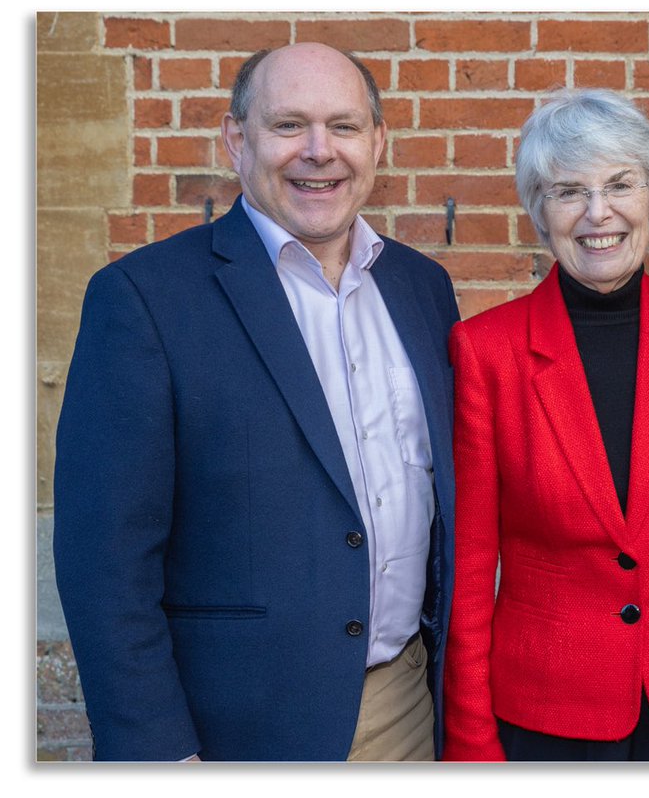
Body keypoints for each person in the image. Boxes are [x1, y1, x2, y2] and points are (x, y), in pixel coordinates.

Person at [53, 43, 459, 761]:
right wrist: (159, 752)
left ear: (378, 142)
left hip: (405, 710)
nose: (318, 151)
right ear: (237, 140)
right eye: (288, 125)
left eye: (344, 125)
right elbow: (106, 562)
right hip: (234, 733)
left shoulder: (421, 288)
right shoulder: (146, 298)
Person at [442, 88, 649, 762]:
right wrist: (472, 743)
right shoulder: (486, 352)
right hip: (551, 709)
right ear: (539, 210)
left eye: (620, 183)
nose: (599, 213)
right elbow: (471, 570)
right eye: (568, 191)